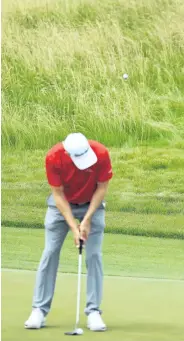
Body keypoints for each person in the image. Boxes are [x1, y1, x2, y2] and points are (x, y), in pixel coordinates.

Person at [24, 132, 113, 330]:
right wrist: (74, 226)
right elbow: (58, 194)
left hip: (92, 203)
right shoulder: (54, 157)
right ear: (68, 153)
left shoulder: (100, 153)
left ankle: (93, 312)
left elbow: (102, 188)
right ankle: (39, 310)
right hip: (61, 206)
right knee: (50, 253)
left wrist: (87, 219)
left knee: (94, 256)